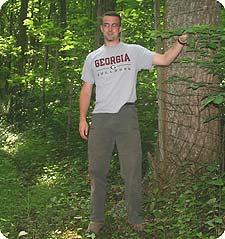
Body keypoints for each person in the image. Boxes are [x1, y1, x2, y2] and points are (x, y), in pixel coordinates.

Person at [79, 11, 188, 235]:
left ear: (120, 29)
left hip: (127, 117)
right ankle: (96, 218)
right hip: (100, 119)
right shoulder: (93, 57)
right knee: (97, 170)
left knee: (132, 169)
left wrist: (180, 42)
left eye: (114, 25)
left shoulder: (134, 52)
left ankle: (135, 217)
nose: (110, 29)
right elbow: (87, 89)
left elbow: (165, 59)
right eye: (106, 25)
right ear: (101, 29)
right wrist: (82, 117)